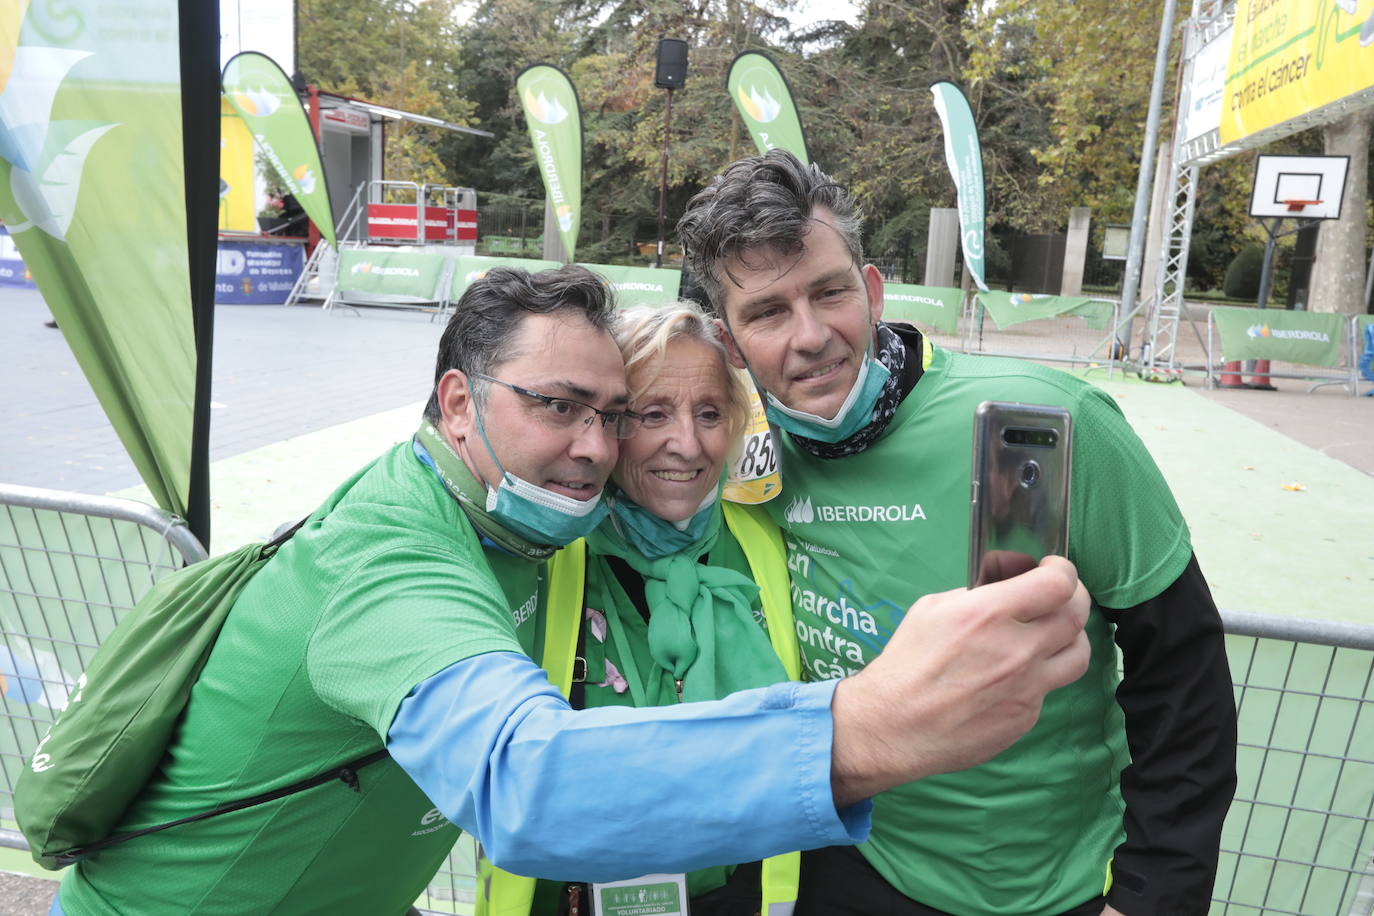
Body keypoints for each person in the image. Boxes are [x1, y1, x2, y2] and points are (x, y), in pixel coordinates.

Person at [53, 265, 1092, 915]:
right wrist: (860, 731)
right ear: (458, 403)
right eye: (560, 406)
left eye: (610, 411)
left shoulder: (523, 521)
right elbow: (525, 779)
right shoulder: (389, 558)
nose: (596, 450)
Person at [677, 150, 1238, 916]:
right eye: (768, 312)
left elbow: (1182, 674)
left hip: (1044, 890)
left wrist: (1152, 895)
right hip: (846, 858)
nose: (809, 336)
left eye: (830, 292)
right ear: (731, 342)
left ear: (871, 291)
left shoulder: (1046, 419)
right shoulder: (732, 448)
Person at [513, 302, 804, 915]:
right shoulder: (547, 550)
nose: (687, 444)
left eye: (708, 413)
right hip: (573, 893)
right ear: (610, 424)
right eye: (652, 414)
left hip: (740, 887)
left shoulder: (765, 543)